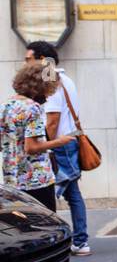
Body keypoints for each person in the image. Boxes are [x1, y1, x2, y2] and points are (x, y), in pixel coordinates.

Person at [25, 41, 89, 254]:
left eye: (29, 59)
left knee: (48, 194)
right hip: (69, 140)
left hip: (59, 144)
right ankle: (80, 241)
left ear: (42, 60)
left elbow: (52, 120)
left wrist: (46, 147)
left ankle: (55, 239)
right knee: (72, 193)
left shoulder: (49, 78)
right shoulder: (65, 78)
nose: (26, 64)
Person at [1, 61, 74, 211]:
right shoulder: (34, 108)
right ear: (41, 86)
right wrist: (60, 141)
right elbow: (32, 147)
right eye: (50, 88)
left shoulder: (5, 106)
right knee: (46, 226)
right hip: (36, 178)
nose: (50, 93)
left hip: (11, 178)